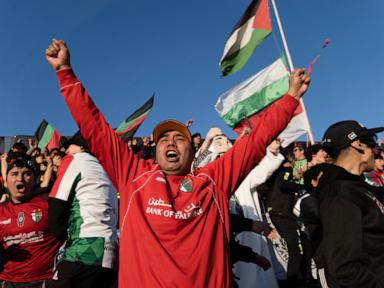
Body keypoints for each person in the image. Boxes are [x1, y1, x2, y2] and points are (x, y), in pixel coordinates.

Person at [45, 38, 310, 288]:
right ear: (156, 150)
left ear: (193, 151)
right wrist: (65, 73)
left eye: (178, 138)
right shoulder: (134, 175)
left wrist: (290, 98)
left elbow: (256, 140)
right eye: (163, 139)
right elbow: (95, 128)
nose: (170, 142)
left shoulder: (214, 180)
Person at [316, 120, 384, 287]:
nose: (374, 149)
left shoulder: (355, 188)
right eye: (371, 141)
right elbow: (345, 269)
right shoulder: (338, 193)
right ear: (358, 144)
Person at [48, 131, 118, 288]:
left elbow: (57, 203)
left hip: (83, 252)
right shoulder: (107, 170)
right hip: (111, 256)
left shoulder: (74, 159)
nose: (65, 151)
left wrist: (58, 234)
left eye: (69, 146)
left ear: (81, 146)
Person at [0, 154, 61, 287]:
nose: (20, 178)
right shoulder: (1, 211)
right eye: (14, 174)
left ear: (35, 179)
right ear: (6, 180)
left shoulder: (49, 204)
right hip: (9, 282)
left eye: (26, 174)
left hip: (44, 281)